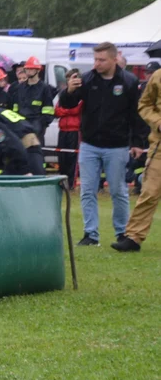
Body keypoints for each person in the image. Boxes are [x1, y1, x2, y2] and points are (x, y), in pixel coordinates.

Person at [59, 42, 146, 246]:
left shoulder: (129, 81)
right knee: (88, 190)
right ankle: (91, 235)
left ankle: (122, 233)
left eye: (101, 60)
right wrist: (69, 92)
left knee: (118, 190)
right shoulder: (87, 79)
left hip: (117, 146)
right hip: (89, 144)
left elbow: (137, 115)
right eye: (95, 59)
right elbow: (68, 104)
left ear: (114, 59)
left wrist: (137, 142)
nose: (96, 64)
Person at [114, 63, 161, 251]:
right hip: (159, 146)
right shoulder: (157, 76)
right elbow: (144, 105)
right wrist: (157, 121)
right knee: (149, 192)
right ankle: (133, 237)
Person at [11, 56, 55, 137]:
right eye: (27, 69)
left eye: (31, 69)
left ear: (38, 70)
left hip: (37, 129)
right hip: (21, 127)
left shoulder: (44, 88)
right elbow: (15, 108)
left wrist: (41, 125)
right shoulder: (20, 87)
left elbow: (48, 111)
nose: (28, 71)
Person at [54, 80, 82, 183]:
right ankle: (62, 181)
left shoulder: (80, 95)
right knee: (62, 158)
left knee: (72, 158)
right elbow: (57, 111)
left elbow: (77, 109)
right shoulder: (63, 95)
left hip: (74, 130)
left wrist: (65, 111)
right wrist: (68, 111)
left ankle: (71, 183)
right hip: (62, 130)